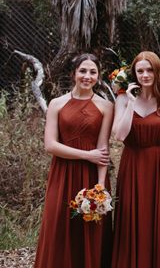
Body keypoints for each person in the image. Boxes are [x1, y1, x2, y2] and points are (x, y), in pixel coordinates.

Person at [111, 51, 160, 268]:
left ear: (157, 72)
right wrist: (130, 102)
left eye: (150, 70)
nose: (145, 75)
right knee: (131, 217)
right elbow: (119, 135)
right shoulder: (122, 99)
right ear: (134, 74)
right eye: (140, 71)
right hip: (132, 164)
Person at [34, 53, 113, 268]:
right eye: (83, 71)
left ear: (99, 75)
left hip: (91, 177)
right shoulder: (57, 104)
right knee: (58, 226)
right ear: (74, 73)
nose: (87, 76)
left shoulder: (106, 106)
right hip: (62, 174)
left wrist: (101, 187)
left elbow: (103, 148)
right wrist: (88, 155)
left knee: (89, 228)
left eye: (93, 72)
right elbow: (50, 145)